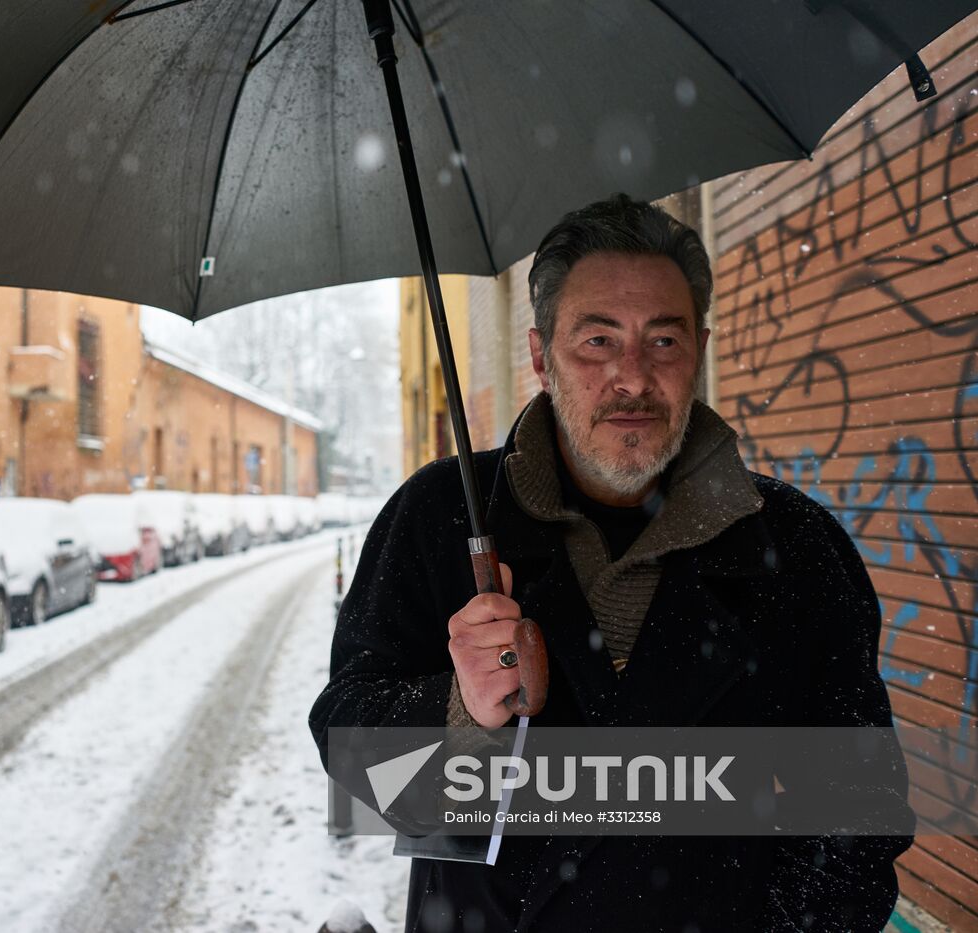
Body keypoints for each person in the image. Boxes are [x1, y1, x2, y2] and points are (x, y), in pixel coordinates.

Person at [309, 193, 913, 932]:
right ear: (540, 356)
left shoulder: (795, 549)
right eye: (597, 341)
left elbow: (861, 818)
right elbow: (350, 752)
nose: (632, 376)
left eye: (664, 341)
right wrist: (461, 714)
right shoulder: (438, 519)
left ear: (700, 350)